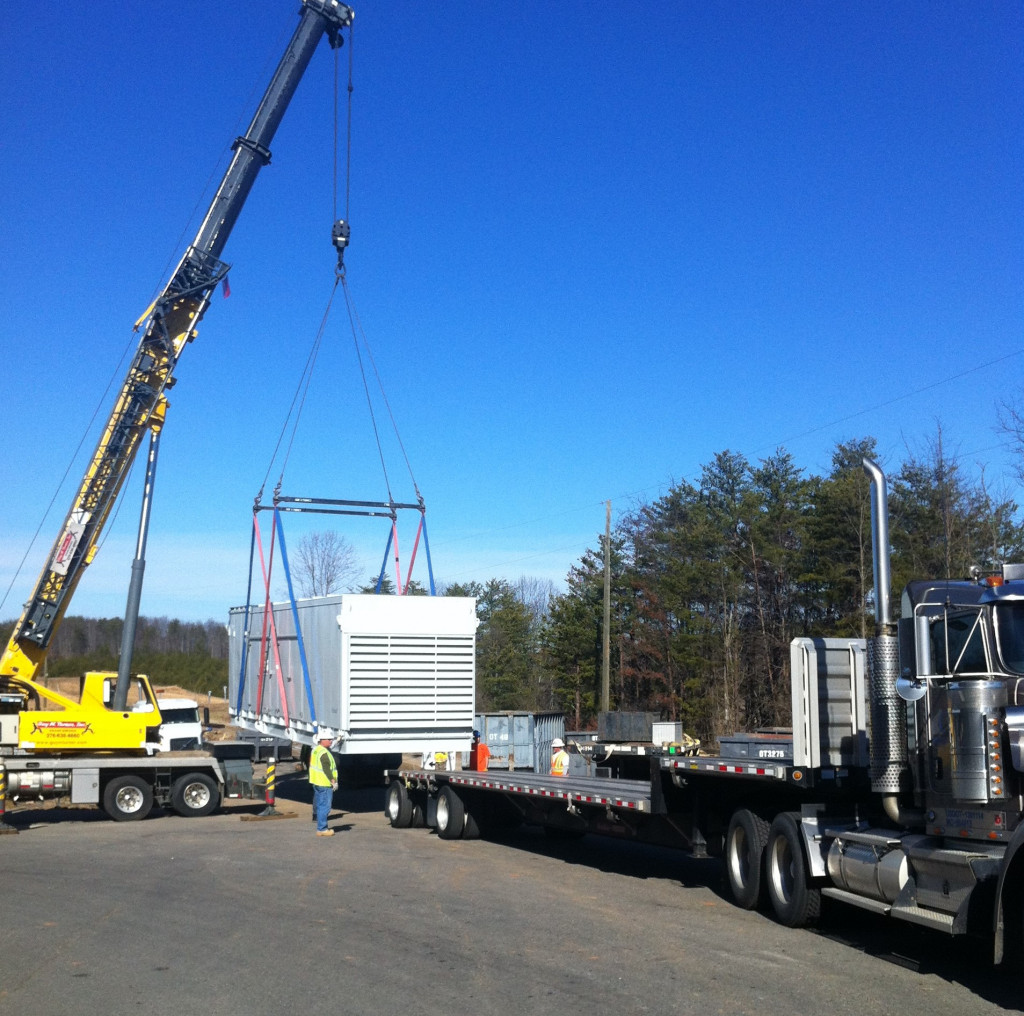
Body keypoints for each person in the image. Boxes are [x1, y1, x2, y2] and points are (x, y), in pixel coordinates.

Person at [309, 730, 338, 836]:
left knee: (320, 805)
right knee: (325, 806)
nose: (331, 741)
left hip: (316, 782)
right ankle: (322, 829)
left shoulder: (316, 750)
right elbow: (326, 768)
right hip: (324, 784)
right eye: (329, 739)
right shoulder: (324, 753)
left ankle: (321, 828)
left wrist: (338, 740)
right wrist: (333, 781)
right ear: (322, 740)